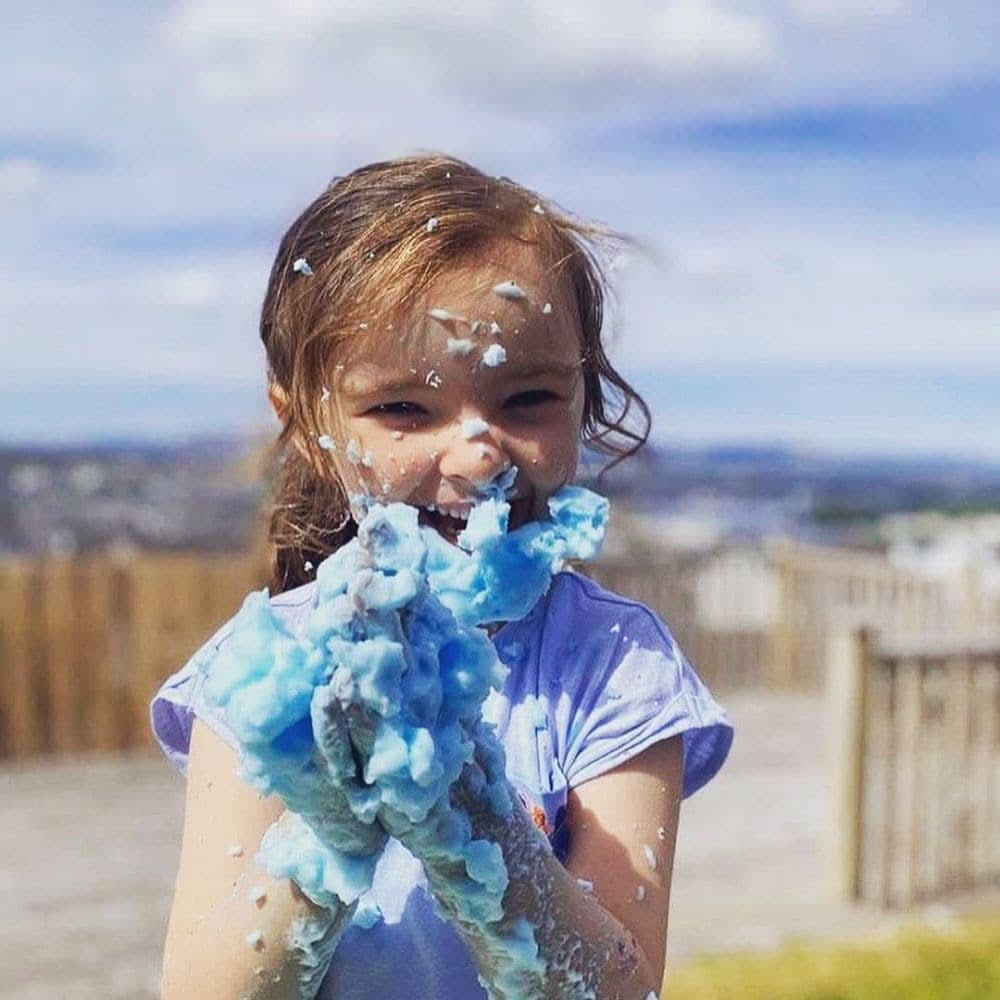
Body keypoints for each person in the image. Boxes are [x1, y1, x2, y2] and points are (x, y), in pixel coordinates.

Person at [152, 153, 733, 999]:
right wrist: (328, 830)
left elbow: (622, 986)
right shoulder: (258, 673)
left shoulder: (612, 663)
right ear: (310, 426)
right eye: (401, 409)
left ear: (583, 398)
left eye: (527, 398)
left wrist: (472, 815)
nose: (478, 453)